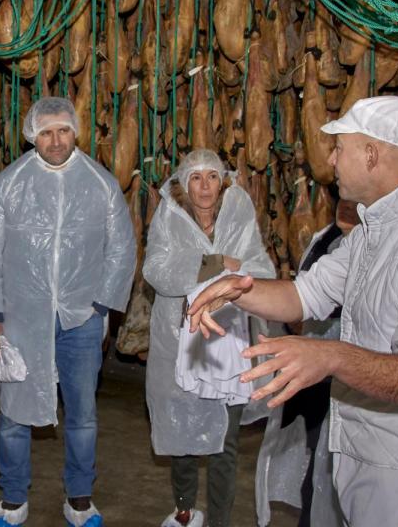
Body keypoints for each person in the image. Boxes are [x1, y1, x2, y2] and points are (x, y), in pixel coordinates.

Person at [188, 96, 398, 526]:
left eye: (340, 148)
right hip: (362, 446)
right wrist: (238, 289)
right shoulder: (376, 230)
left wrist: (330, 356)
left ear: (371, 155)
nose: (331, 160)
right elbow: (305, 294)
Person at [0, 97, 136, 527]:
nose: (55, 141)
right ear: (32, 136)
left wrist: (100, 306)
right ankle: (13, 497)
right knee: (13, 412)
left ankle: (79, 496)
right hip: (21, 317)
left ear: (75, 131)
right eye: (45, 132)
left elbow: (121, 249)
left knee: (82, 414)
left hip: (81, 319)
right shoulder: (9, 184)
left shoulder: (100, 183)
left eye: (62, 130)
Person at [142, 149, 276, 527]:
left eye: (212, 177)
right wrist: (216, 264)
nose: (205, 186)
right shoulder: (170, 214)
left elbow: (261, 268)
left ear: (223, 182)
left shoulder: (238, 212)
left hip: (228, 343)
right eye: (196, 178)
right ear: (185, 183)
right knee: (182, 433)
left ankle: (219, 520)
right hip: (180, 339)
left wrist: (235, 272)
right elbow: (156, 270)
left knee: (224, 442)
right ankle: (185, 511)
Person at [254, 198, 359, 527]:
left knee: (334, 468)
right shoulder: (324, 237)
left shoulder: (368, 246)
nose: (345, 207)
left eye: (355, 203)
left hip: (343, 376)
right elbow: (304, 293)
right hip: (309, 373)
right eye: (342, 200)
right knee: (315, 459)